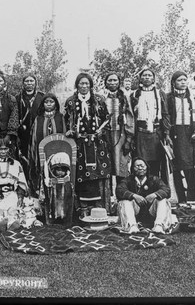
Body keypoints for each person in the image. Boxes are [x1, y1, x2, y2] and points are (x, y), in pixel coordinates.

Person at [64, 73, 112, 216]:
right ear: (77, 85)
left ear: (91, 85)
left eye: (87, 84)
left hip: (97, 143)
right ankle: (82, 206)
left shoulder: (99, 100)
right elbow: (67, 121)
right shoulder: (71, 102)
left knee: (99, 172)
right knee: (80, 173)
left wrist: (100, 132)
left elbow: (107, 120)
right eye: (81, 84)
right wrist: (71, 131)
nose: (84, 86)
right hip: (79, 144)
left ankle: (100, 206)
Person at [166, 71, 195, 208]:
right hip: (175, 134)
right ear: (173, 83)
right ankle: (182, 199)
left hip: (191, 134)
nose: (183, 82)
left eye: (185, 79)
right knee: (177, 167)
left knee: (192, 167)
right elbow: (166, 117)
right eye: (179, 80)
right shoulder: (168, 98)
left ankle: (194, 198)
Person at [130, 68, 170, 183]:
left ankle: (156, 191)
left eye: (149, 75)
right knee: (140, 164)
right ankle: (140, 190)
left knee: (156, 163)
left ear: (153, 79)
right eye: (144, 75)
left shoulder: (160, 94)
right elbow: (131, 116)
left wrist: (166, 133)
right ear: (140, 78)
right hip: (140, 135)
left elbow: (165, 114)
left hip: (156, 134)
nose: (147, 77)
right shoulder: (135, 94)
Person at [116, 157, 175, 234]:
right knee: (125, 201)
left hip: (151, 213)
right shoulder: (128, 180)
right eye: (136, 166)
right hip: (135, 213)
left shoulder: (154, 179)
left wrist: (154, 195)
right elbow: (119, 190)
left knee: (163, 200)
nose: (140, 168)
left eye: (142, 166)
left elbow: (166, 190)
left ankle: (159, 225)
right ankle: (131, 226)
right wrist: (134, 196)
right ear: (132, 169)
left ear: (146, 167)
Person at [0, 139, 29, 232]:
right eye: (0, 149)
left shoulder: (16, 164)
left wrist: (20, 197)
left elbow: (21, 182)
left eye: (5, 149)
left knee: (12, 211)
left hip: (11, 194)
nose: (3, 151)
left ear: (9, 149)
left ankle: (12, 224)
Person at [28, 93, 66, 198]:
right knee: (42, 173)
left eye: (51, 102)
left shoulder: (60, 117)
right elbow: (34, 138)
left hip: (58, 153)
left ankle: (58, 198)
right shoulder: (38, 119)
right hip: (41, 154)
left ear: (56, 104)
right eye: (46, 102)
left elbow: (64, 135)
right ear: (42, 104)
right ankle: (43, 200)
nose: (49, 104)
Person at [103, 72, 134, 188]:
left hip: (121, 135)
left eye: (115, 80)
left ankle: (122, 195)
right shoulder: (101, 97)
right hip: (105, 135)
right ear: (105, 82)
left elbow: (130, 117)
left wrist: (129, 139)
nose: (112, 83)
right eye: (109, 80)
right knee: (107, 164)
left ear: (119, 82)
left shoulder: (124, 97)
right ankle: (108, 197)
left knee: (121, 165)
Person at [16, 75, 45, 191]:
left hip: (38, 134)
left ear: (35, 83)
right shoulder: (17, 98)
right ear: (23, 84)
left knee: (37, 159)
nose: (29, 83)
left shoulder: (42, 97)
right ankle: (23, 187)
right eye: (26, 81)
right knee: (23, 159)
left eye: (31, 81)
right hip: (22, 134)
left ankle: (37, 187)